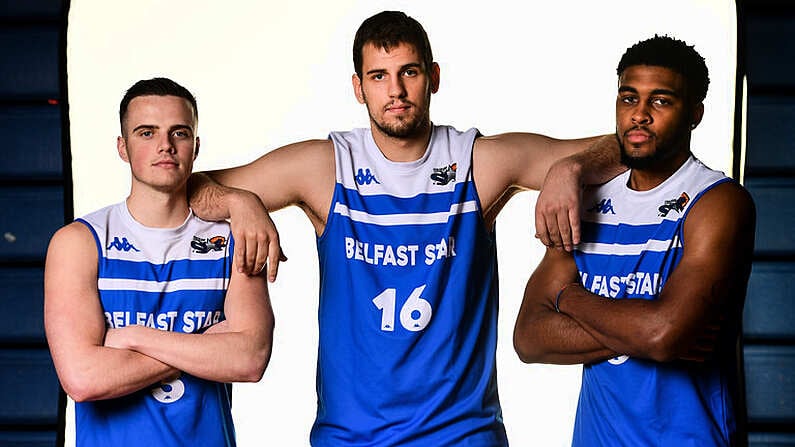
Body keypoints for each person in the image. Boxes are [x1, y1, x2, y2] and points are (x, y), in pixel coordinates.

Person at [189, 11, 623, 446]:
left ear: (432, 77)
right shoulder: (327, 167)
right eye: (378, 76)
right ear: (359, 88)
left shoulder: (478, 162)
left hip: (463, 435)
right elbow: (184, 187)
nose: (395, 91)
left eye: (408, 72)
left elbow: (626, 147)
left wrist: (572, 167)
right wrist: (237, 201)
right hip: (351, 437)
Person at [513, 36, 755, 446]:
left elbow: (663, 336)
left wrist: (569, 299)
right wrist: (646, 328)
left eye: (660, 101)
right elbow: (529, 337)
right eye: (629, 98)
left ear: (694, 114)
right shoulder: (590, 203)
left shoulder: (717, 202)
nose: (639, 115)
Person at [44, 78, 275, 446]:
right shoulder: (80, 242)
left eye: (178, 133)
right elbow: (83, 379)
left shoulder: (233, 240)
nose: (165, 146)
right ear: (123, 147)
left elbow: (249, 359)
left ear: (195, 146)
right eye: (146, 133)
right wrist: (204, 345)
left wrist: (132, 338)